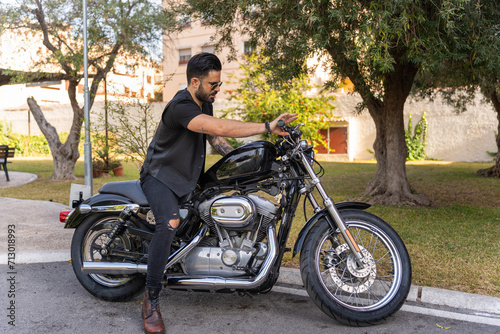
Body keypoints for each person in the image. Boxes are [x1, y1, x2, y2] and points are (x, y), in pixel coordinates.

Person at [139, 52, 298, 334]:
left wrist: (249, 163)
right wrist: (267, 128)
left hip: (187, 176)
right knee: (170, 222)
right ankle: (151, 299)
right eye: (214, 84)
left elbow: (217, 140)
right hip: (160, 177)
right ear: (196, 81)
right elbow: (219, 127)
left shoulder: (203, 103)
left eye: (219, 84)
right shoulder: (181, 107)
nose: (217, 89)